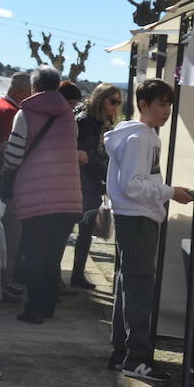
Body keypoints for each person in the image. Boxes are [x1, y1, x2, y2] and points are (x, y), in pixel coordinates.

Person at [105, 78, 193, 385]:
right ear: (143, 105)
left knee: (128, 285)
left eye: (169, 104)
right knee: (139, 287)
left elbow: (136, 181)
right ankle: (137, 358)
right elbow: (132, 184)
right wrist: (170, 192)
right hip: (137, 219)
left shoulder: (142, 135)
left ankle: (124, 354)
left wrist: (167, 192)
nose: (167, 110)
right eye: (161, 104)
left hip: (137, 218)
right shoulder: (140, 137)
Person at [3, 66, 81, 324]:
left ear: (34, 87)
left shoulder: (25, 114)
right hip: (68, 196)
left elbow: (13, 156)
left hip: (37, 195)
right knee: (52, 255)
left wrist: (4, 170)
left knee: (35, 254)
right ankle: (48, 306)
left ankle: (35, 310)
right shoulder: (68, 114)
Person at [70, 83, 123, 290]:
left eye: (119, 102)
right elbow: (88, 156)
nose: (116, 106)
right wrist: (106, 176)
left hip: (91, 183)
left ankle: (77, 274)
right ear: (101, 100)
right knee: (77, 229)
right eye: (113, 101)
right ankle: (72, 275)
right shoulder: (86, 121)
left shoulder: (99, 122)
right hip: (83, 183)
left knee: (85, 231)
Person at [0, 72, 32, 296]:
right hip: (2, 179)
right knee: (7, 236)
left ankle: (3, 281)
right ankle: (4, 283)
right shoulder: (10, 112)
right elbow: (10, 150)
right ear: (23, 91)